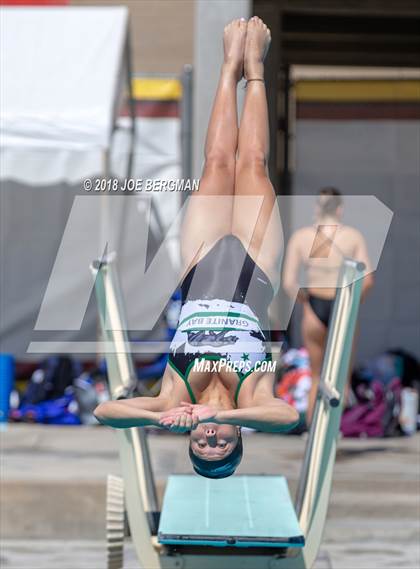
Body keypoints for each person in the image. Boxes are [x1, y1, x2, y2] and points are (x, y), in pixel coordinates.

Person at [94, 17, 299, 479]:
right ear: (237, 439)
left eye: (202, 446)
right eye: (221, 446)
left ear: (188, 437)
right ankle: (256, 69)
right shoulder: (253, 401)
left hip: (201, 269)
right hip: (254, 269)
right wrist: (227, 415)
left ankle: (229, 65)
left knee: (214, 163)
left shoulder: (174, 398)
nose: (210, 438)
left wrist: (159, 418)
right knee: (253, 163)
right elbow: (289, 418)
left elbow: (106, 411)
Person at [282, 187, 374, 424]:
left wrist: (306, 301)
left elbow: (288, 283)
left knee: (315, 375)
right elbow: (368, 280)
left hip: (314, 304)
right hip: (342, 304)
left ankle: (314, 434)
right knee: (341, 378)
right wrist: (351, 304)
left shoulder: (302, 237)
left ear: (316, 208)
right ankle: (333, 435)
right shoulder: (352, 236)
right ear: (340, 209)